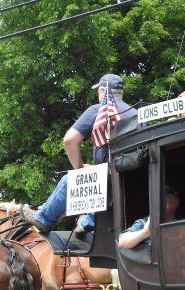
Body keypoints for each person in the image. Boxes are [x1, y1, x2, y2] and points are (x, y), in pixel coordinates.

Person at [19, 73, 138, 234]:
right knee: (93, 181)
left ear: (103, 91)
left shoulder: (100, 110)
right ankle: (86, 223)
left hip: (109, 182)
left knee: (69, 181)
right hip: (134, 183)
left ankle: (43, 219)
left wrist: (80, 167)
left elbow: (69, 140)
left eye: (98, 91)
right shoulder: (137, 114)